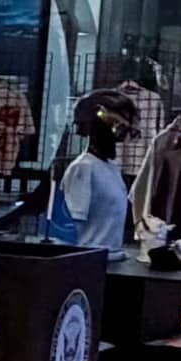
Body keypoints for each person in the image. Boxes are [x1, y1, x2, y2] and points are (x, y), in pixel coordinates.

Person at [48, 95, 133, 252]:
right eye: (121, 120)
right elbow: (70, 229)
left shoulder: (111, 168)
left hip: (112, 258)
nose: (127, 127)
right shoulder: (83, 168)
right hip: (89, 262)